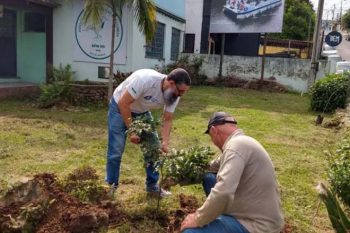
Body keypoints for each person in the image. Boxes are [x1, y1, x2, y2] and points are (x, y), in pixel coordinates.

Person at [181, 112, 284, 233]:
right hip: (256, 212)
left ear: (214, 130)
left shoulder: (235, 147)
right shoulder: (241, 143)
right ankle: (222, 216)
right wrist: (178, 178)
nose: (213, 141)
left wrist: (198, 219)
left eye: (211, 137)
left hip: (258, 225)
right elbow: (208, 168)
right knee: (209, 177)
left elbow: (223, 191)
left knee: (190, 232)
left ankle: (223, 219)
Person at [106, 68, 191, 197]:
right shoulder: (144, 80)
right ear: (171, 83)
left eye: (183, 92)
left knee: (154, 149)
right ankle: (111, 185)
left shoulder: (174, 95)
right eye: (180, 91)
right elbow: (124, 103)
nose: (180, 95)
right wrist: (132, 131)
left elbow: (167, 119)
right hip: (119, 107)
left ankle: (152, 187)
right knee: (116, 149)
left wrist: (165, 143)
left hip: (142, 112)